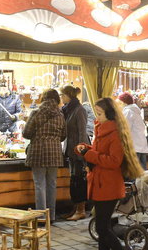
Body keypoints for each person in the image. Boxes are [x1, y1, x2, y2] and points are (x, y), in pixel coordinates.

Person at [75, 98, 143, 250]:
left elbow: (114, 161)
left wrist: (89, 154)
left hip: (108, 185)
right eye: (96, 113)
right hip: (99, 183)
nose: (96, 117)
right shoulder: (101, 128)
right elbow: (98, 152)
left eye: (99, 113)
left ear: (110, 114)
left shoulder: (115, 133)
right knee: (103, 226)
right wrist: (85, 148)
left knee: (102, 228)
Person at [23, 89, 67, 221]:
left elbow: (26, 133)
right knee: (52, 184)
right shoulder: (60, 115)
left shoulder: (36, 112)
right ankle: (51, 216)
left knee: (39, 184)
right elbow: (63, 135)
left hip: (38, 151)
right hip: (54, 152)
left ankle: (42, 216)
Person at [60, 85, 90, 221]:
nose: (61, 97)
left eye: (62, 95)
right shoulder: (67, 110)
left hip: (78, 150)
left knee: (79, 180)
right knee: (74, 180)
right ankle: (75, 208)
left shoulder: (79, 110)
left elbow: (82, 132)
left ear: (69, 95)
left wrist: (82, 151)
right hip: (70, 149)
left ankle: (81, 209)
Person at [118, 92, 148, 169]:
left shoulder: (128, 112)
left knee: (134, 174)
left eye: (119, 103)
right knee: (142, 175)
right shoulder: (135, 111)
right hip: (141, 146)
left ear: (123, 103)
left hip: (134, 147)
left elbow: (124, 129)